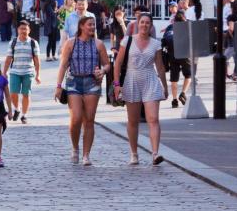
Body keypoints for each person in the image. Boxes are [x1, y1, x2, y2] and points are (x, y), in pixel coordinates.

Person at [113, 12, 168, 166]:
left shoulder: (155, 43)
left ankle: (155, 153)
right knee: (133, 120)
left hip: (150, 79)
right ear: (138, 24)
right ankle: (134, 153)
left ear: (151, 26)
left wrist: (164, 86)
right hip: (132, 79)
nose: (144, 25)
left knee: (153, 119)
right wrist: (117, 85)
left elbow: (160, 66)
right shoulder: (127, 41)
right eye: (142, 22)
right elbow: (117, 64)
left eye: (147, 23)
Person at [54, 15, 110, 166]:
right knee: (76, 118)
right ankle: (75, 148)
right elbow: (63, 65)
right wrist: (59, 86)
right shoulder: (71, 43)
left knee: (89, 119)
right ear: (81, 26)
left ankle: (86, 155)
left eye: (93, 25)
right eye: (89, 25)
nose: (92, 27)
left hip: (92, 82)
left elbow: (107, 64)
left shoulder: (99, 44)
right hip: (74, 82)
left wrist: (103, 71)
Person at [4, 20, 41, 124]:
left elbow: (37, 60)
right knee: (13, 94)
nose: (23, 31)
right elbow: (8, 58)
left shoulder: (33, 43)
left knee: (26, 94)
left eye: (25, 29)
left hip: (28, 72)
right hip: (15, 71)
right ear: (18, 30)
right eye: (21, 28)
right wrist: (4, 73)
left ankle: (24, 115)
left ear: (29, 30)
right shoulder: (13, 42)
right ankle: (17, 108)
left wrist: (38, 75)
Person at [161, 10, 191, 108]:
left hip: (172, 55)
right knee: (188, 75)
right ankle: (183, 93)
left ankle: (174, 100)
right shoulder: (186, 27)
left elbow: (164, 41)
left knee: (174, 79)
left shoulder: (170, 27)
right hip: (184, 54)